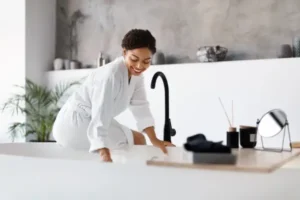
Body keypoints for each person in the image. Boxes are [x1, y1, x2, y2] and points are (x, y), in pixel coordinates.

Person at [52, 29, 175, 162]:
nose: (139, 66)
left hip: (90, 119)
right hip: (75, 123)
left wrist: (155, 139)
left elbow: (141, 107)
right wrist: (103, 150)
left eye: (146, 61)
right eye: (134, 59)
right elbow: (101, 111)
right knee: (137, 140)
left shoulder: (136, 76)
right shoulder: (111, 74)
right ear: (124, 52)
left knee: (139, 139)